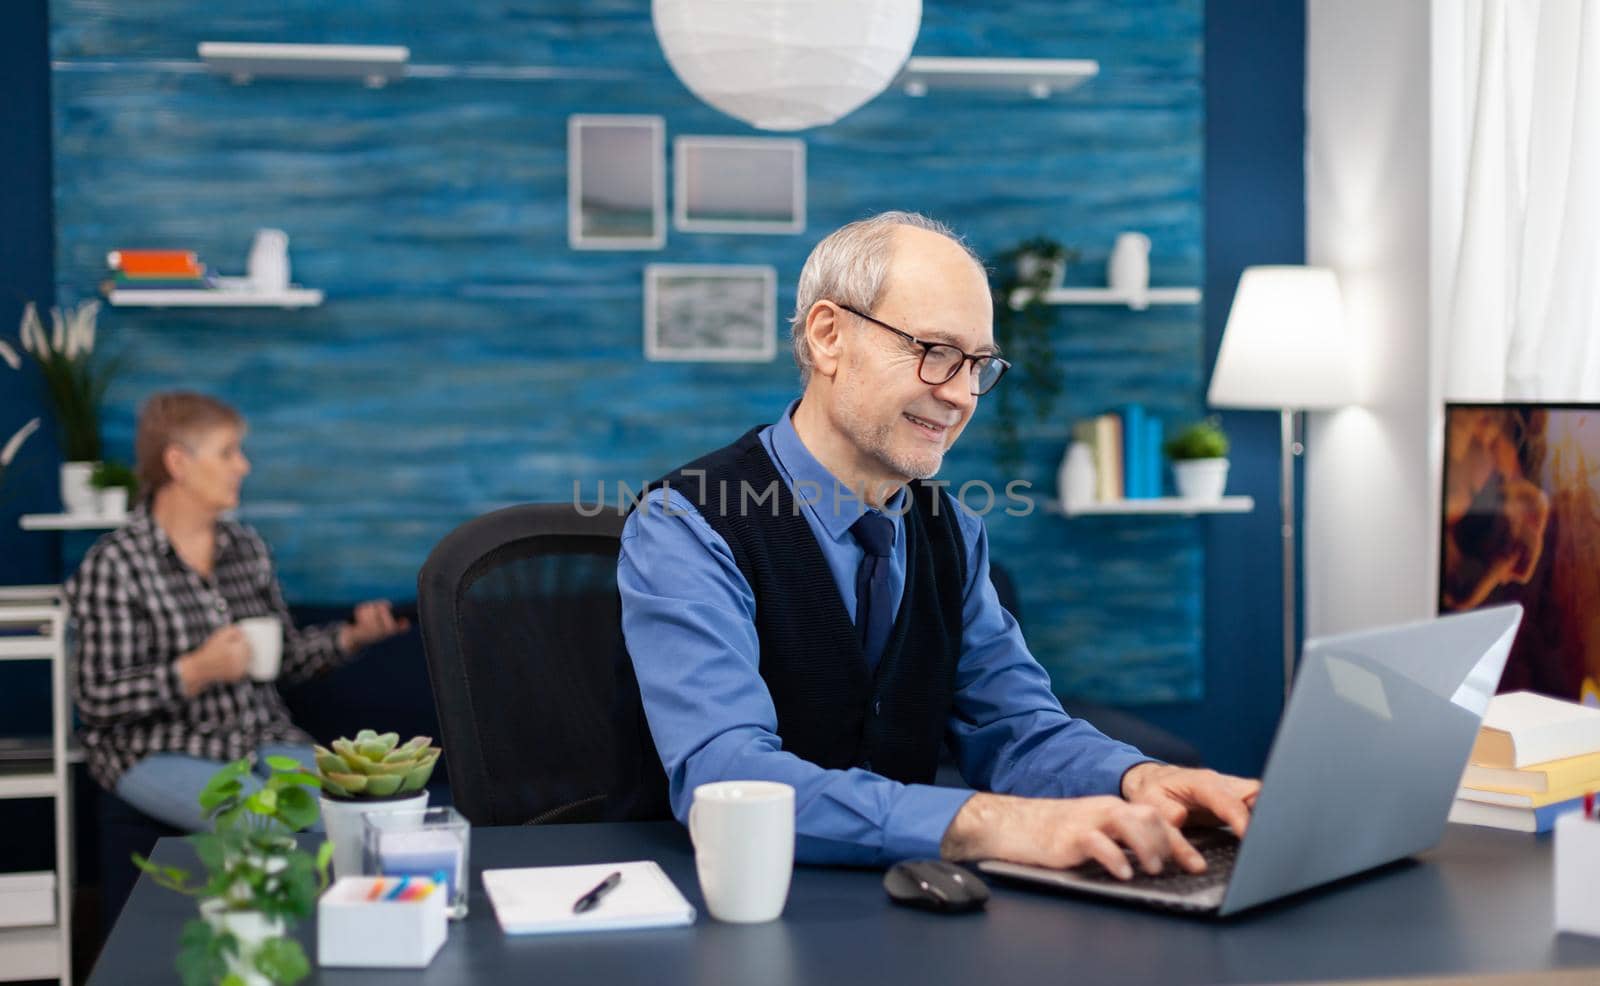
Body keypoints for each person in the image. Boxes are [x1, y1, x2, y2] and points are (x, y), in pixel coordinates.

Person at [612, 212, 1260, 878]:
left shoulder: (954, 532)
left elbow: (1015, 729)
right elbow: (728, 781)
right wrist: (991, 822)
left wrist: (1141, 779)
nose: (958, 395)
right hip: (729, 910)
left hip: (912, 909)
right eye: (935, 352)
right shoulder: (688, 524)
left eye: (977, 364)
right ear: (829, 336)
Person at [65, 391, 407, 831]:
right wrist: (195, 671)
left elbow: (280, 660)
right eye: (227, 452)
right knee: (267, 825)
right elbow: (96, 699)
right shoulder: (115, 564)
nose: (242, 466)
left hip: (262, 740)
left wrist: (351, 637)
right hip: (155, 749)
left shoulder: (246, 548)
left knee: (371, 818)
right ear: (178, 463)